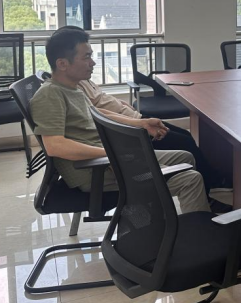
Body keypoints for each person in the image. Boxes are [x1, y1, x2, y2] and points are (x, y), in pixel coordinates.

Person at [30, 27, 209, 214]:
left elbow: (97, 112)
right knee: (190, 180)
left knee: (185, 157)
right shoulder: (50, 95)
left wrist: (141, 123)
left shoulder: (72, 88)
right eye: (86, 57)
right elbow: (55, 146)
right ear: (62, 64)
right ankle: (194, 229)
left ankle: (167, 218)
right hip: (96, 171)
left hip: (112, 159)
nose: (92, 62)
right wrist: (112, 154)